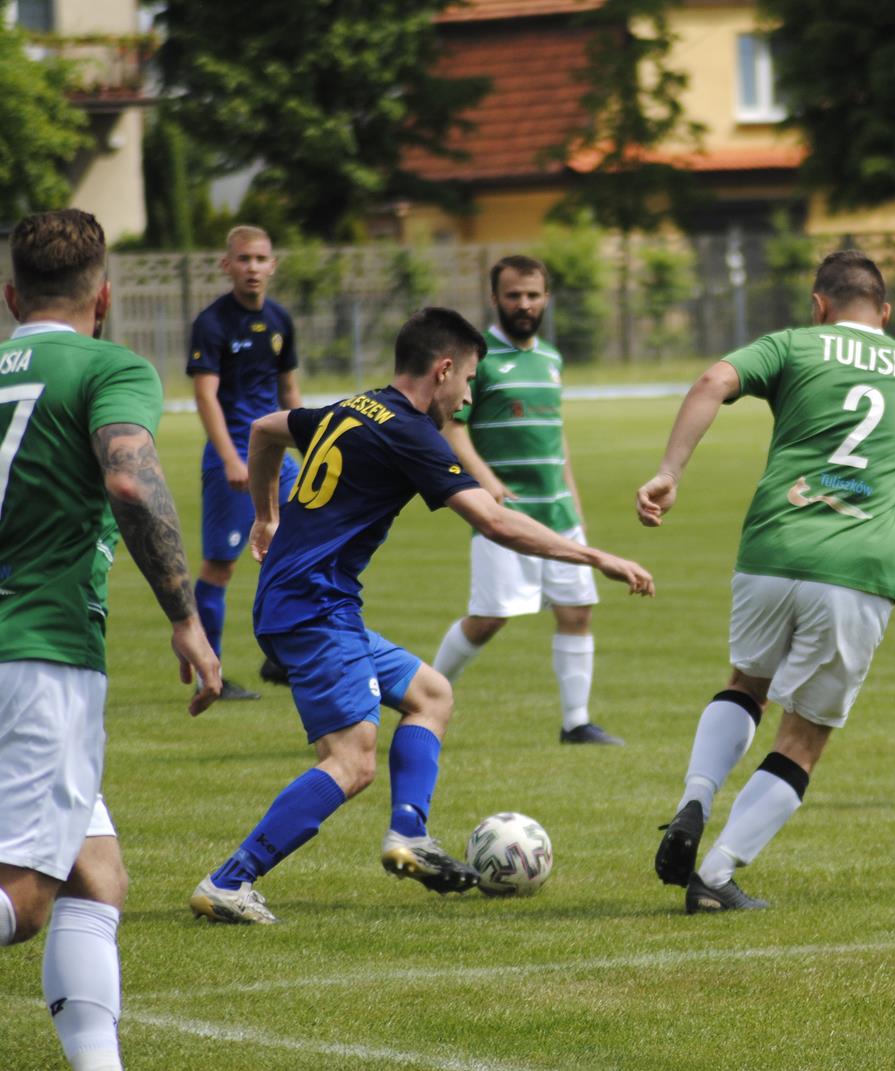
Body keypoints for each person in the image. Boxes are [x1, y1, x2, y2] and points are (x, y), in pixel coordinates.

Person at [190, 307, 653, 925]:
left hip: (307, 601)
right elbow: (493, 519)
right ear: (442, 370)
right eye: (467, 383)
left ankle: (409, 832)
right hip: (313, 607)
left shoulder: (353, 407)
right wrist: (593, 554)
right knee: (352, 763)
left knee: (431, 693)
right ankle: (230, 880)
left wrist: (267, 512)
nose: (466, 399)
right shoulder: (410, 432)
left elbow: (267, 430)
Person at [638, 250, 895, 913]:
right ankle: (717, 874)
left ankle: (695, 798)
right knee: (804, 735)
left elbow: (709, 382)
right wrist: (882, 485)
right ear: (886, 313)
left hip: (770, 550)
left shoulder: (794, 343)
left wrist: (670, 470)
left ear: (820, 305)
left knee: (743, 683)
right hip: (857, 568)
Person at [0, 209, 221, 1071]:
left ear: (12, 295)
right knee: (26, 891)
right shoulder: (110, 365)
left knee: (98, 875)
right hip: (40, 652)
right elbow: (130, 478)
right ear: (106, 298)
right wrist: (185, 613)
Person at [432, 256, 621, 745]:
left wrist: (574, 503)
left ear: (546, 298)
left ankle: (576, 723)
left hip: (558, 511)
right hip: (503, 516)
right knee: (489, 618)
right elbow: (454, 431)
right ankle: (427, 697)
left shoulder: (552, 359)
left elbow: (557, 444)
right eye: (513, 295)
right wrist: (487, 483)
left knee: (577, 609)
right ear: (494, 298)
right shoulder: (479, 359)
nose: (524, 304)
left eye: (533, 294)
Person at [186, 225, 301, 700]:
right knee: (221, 566)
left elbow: (289, 393)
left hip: (279, 457)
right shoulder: (212, 323)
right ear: (226, 265)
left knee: (297, 550)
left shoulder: (279, 320)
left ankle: (281, 657)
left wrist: (310, 449)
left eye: (260, 259)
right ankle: (207, 674)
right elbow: (206, 396)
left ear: (272, 265)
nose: (253, 267)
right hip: (232, 458)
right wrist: (232, 458)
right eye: (243, 259)